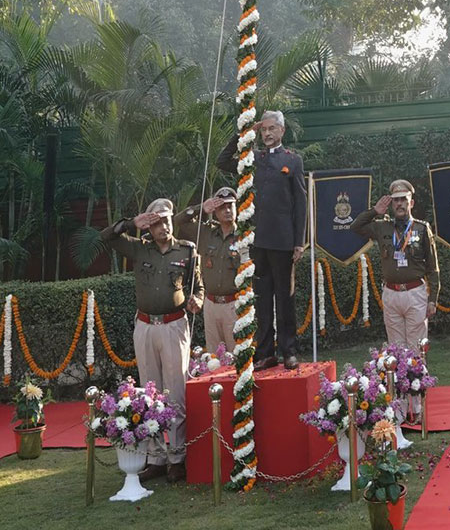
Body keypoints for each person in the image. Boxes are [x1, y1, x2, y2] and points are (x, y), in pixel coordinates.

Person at [100, 197, 203, 482]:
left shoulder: (187, 250)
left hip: (174, 327)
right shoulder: (138, 248)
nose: (163, 227)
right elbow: (106, 237)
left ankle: (178, 458)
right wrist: (131, 223)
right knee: (150, 394)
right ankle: (156, 458)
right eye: (156, 222)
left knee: (176, 393)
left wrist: (197, 301)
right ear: (149, 226)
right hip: (145, 326)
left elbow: (198, 285)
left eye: (167, 220)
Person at [219, 109, 308, 370]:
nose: (267, 133)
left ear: (282, 130)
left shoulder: (292, 161)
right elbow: (223, 161)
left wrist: (299, 241)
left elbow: (300, 204)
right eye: (264, 129)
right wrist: (244, 133)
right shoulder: (252, 158)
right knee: (263, 299)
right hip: (257, 242)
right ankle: (266, 352)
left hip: (283, 241)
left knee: (285, 298)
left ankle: (289, 350)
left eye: (271, 129)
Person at [353, 179, 441, 349]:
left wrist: (433, 299)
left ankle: (418, 376)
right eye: (396, 200)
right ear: (392, 203)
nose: (399, 204)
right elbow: (356, 227)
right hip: (391, 294)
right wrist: (374, 211)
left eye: (403, 199)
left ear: (411, 202)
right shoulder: (382, 227)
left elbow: (432, 266)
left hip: (415, 293)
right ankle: (400, 376)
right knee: (396, 347)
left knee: (417, 346)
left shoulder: (422, 229)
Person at [175, 186, 242, 355]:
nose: (227, 210)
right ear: (215, 211)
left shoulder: (245, 235)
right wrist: (202, 208)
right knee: (215, 358)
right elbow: (179, 220)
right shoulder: (207, 233)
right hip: (211, 304)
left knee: (238, 356)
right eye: (221, 207)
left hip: (235, 304)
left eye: (230, 206)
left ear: (236, 208)